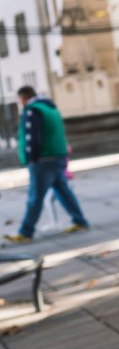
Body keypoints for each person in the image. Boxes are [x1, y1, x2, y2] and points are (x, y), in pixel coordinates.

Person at [6, 86, 90, 243]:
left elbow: (33, 136)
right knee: (63, 191)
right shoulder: (50, 108)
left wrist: (31, 157)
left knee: (35, 197)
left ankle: (25, 232)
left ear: (23, 98)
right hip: (57, 155)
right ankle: (80, 221)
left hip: (43, 159)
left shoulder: (33, 110)